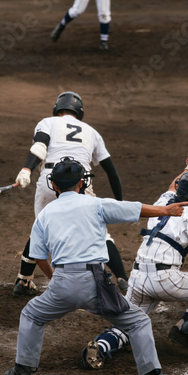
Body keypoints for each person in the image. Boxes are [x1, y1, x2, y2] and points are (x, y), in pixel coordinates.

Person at [3, 157, 188, 375]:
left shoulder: (45, 214)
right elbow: (135, 209)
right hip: (96, 284)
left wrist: (54, 278)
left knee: (31, 315)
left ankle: (22, 372)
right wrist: (166, 210)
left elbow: (38, 255)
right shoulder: (96, 204)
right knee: (138, 321)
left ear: (55, 185)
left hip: (62, 282)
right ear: (81, 183)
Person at [82, 145, 188, 366]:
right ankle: (184, 330)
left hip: (137, 279)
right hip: (165, 281)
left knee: (127, 325)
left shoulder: (163, 202)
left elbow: (174, 184)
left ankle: (101, 347)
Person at [13, 91, 130, 297]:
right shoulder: (92, 132)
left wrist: (27, 169)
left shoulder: (47, 122)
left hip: (51, 179)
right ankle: (122, 278)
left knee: (41, 230)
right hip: (80, 182)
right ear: (80, 112)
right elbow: (111, 171)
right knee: (99, 232)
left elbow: (40, 146)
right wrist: (119, 203)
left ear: (57, 109)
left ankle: (23, 281)